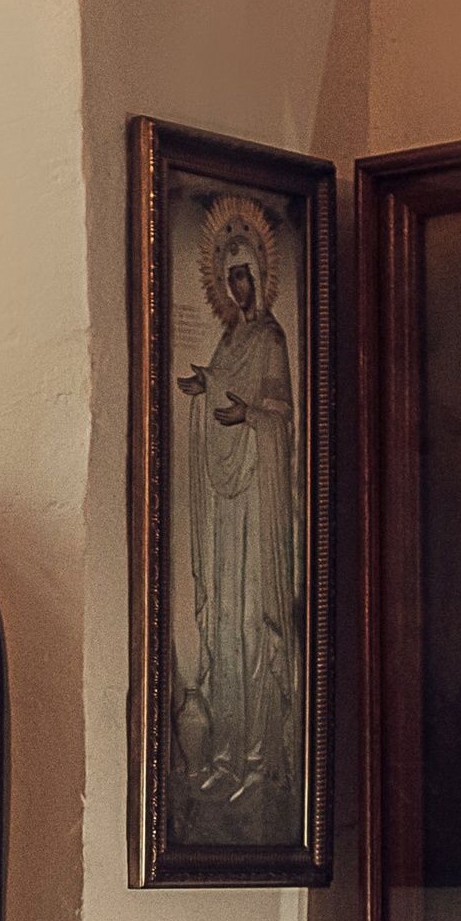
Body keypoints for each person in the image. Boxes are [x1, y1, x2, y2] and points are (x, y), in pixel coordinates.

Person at [176, 198, 300, 831]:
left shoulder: (273, 338)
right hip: (225, 505)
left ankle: (258, 757)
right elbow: (226, 383)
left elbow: (280, 414)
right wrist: (206, 388)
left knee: (252, 626)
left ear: (260, 278)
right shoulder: (231, 338)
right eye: (232, 278)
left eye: (247, 274)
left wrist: (247, 415)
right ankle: (224, 755)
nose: (240, 285)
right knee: (223, 624)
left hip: (258, 501)